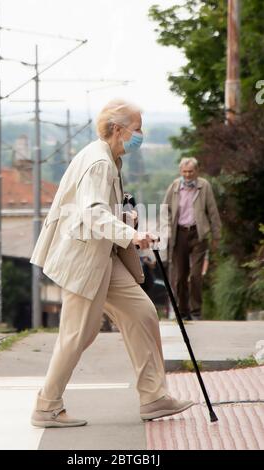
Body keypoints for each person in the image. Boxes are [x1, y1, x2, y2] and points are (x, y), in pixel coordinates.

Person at [30, 99, 194, 428]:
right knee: (77, 335)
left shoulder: (107, 157)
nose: (140, 135)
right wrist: (130, 234)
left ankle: (154, 397)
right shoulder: (100, 162)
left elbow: (98, 209)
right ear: (118, 130)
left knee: (142, 314)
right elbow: (91, 212)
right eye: (136, 128)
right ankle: (47, 407)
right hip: (86, 259)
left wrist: (125, 218)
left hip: (103, 255)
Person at [163, 157, 222, 320]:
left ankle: (196, 311)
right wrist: (167, 230)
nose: (187, 175)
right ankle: (183, 311)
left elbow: (212, 211)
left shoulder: (204, 186)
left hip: (198, 234)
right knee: (180, 276)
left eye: (190, 172)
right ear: (180, 172)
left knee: (196, 275)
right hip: (179, 234)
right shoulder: (175, 187)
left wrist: (216, 235)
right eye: (184, 172)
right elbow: (165, 210)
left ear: (196, 171)